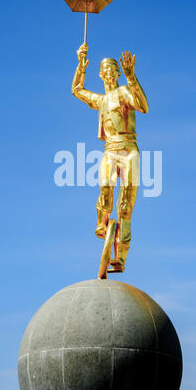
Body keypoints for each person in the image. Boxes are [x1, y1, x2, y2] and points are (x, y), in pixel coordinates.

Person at [72, 43, 149, 272]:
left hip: (128, 149)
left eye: (112, 69)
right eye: (104, 69)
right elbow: (77, 89)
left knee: (125, 206)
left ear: (117, 73)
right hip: (110, 149)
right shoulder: (101, 101)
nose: (108, 72)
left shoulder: (124, 92)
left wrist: (132, 77)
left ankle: (121, 257)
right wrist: (80, 64)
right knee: (105, 187)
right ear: (100, 74)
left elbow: (143, 106)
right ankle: (102, 223)